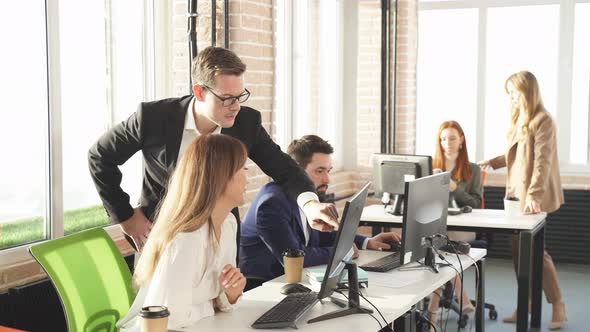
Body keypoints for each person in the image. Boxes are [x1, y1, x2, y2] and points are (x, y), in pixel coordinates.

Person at [88, 47, 338, 253]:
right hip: (162, 237)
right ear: (199, 91)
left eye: (241, 96)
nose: (236, 106)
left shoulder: (246, 123)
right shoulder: (153, 118)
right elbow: (100, 157)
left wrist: (310, 205)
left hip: (221, 240)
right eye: (227, 98)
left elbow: (285, 169)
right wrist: (126, 217)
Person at [117, 134, 248, 330]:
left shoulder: (229, 223)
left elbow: (218, 299)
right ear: (222, 177)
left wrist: (231, 294)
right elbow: (170, 321)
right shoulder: (187, 240)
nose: (247, 177)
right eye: (243, 168)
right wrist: (208, 305)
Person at [239, 135, 400, 281]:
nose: (327, 179)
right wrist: (342, 252)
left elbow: (323, 237)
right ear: (296, 172)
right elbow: (294, 257)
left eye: (328, 171)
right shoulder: (272, 203)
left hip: (295, 282)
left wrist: (367, 242)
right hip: (265, 288)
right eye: (319, 171)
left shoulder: (310, 201)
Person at [479, 70, 566, 330]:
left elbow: (542, 162)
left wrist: (534, 197)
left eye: (514, 94)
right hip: (514, 194)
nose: (512, 100)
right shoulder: (520, 120)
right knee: (519, 253)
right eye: (509, 95)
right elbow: (516, 152)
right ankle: (527, 302)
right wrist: (493, 162)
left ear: (527, 92)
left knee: (538, 254)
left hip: (532, 196)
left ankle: (558, 303)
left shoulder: (543, 120)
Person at [427, 121, 480, 328]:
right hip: (437, 225)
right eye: (443, 139)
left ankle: (432, 312)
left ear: (461, 140)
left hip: (462, 228)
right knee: (440, 248)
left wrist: (454, 188)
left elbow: (475, 202)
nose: (447, 143)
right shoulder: (431, 167)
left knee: (440, 251)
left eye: (452, 138)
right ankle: (463, 297)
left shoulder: (472, 169)